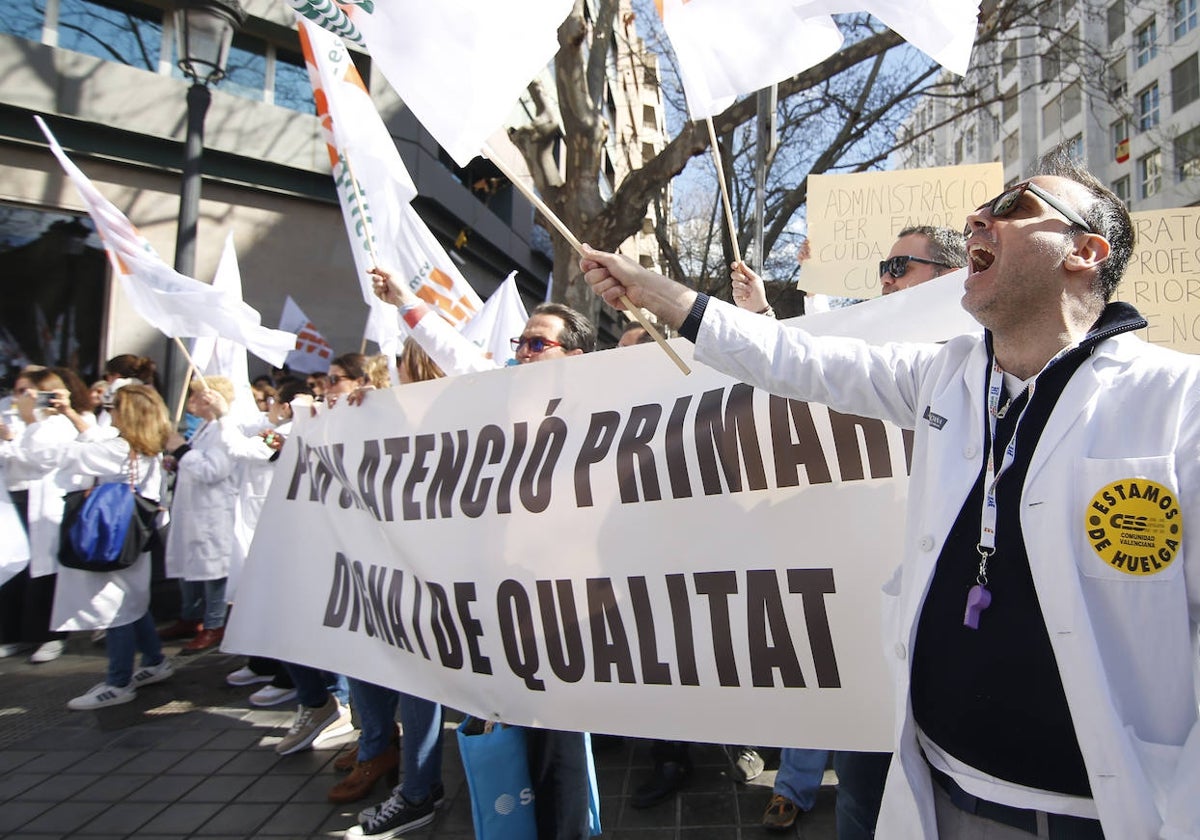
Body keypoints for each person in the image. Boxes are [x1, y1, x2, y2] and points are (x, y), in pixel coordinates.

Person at [581, 146, 1200, 838]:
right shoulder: (945, 377)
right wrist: (654, 291)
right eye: (981, 211)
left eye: (1012, 208)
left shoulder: (1179, 405)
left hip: (1102, 815)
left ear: (1084, 252)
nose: (977, 220)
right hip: (931, 793)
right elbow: (798, 360)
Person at [737, 227, 967, 837]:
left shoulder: (982, 366)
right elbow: (808, 365)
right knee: (862, 800)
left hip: (948, 628)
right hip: (863, 619)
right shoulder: (875, 354)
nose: (886, 278)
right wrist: (761, 315)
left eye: (900, 265)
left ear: (948, 274)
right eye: (882, 266)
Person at [368, 267, 597, 840]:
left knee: (561, 740)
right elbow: (457, 355)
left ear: (575, 356)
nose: (520, 352)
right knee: (516, 729)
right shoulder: (504, 396)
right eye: (519, 341)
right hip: (506, 599)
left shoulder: (601, 405)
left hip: (567, 605)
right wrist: (404, 302)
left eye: (536, 343)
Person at [23, 382, 175, 708]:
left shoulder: (117, 450)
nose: (110, 413)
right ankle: (153, 660)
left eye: (114, 407)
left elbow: (58, 455)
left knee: (115, 608)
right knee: (131, 603)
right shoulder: (145, 446)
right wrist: (68, 414)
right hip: (133, 538)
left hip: (111, 539)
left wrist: (34, 421)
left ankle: (118, 681)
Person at [1, 367, 94, 664]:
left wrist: (13, 437)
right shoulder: (21, 421)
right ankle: (14, 634)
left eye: (30, 391)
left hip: (45, 504)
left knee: (45, 574)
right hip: (16, 499)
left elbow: (38, 459)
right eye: (19, 391)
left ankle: (50, 636)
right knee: (18, 570)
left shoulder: (58, 424)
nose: (23, 398)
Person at [163, 376, 238, 654]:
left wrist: (181, 450)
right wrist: (176, 460)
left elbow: (213, 470)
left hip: (212, 513)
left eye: (195, 396)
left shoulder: (222, 431)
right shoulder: (203, 428)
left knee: (212, 570)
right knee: (189, 568)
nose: (190, 402)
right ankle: (190, 616)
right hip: (192, 510)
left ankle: (214, 623)